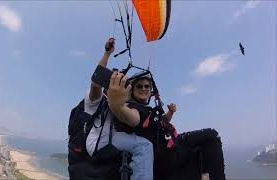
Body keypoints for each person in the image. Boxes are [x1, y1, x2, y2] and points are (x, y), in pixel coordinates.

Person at [109, 72, 226, 180]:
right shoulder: (134, 108)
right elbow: (130, 117)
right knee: (211, 136)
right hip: (167, 156)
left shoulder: (147, 111)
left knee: (203, 151)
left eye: (147, 86)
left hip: (171, 147)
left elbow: (161, 122)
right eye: (139, 86)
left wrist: (170, 113)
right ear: (132, 90)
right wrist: (117, 106)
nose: (144, 88)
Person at [84, 38, 154, 180]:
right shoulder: (97, 100)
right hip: (99, 142)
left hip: (109, 139)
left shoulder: (123, 101)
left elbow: (131, 115)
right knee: (145, 146)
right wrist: (107, 54)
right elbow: (96, 81)